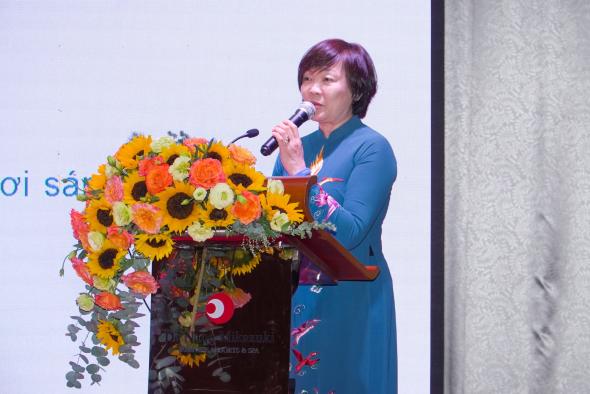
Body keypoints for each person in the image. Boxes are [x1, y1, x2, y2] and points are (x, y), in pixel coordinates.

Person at [271, 39, 397, 393]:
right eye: (307, 78)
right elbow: (277, 227)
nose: (312, 89)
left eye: (327, 79)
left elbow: (351, 231)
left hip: (351, 297)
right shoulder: (297, 149)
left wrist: (299, 174)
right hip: (296, 299)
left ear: (356, 90)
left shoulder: (372, 147)